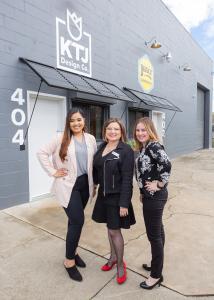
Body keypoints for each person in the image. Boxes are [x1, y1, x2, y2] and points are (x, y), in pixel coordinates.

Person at [37, 108, 97, 282]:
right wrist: (53, 171)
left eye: (79, 120)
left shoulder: (91, 139)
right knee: (78, 221)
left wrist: (95, 184)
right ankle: (69, 261)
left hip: (85, 185)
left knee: (73, 222)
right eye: (72, 121)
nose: (76, 123)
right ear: (68, 123)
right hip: (67, 186)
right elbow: (41, 152)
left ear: (84, 120)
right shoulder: (60, 138)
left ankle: (74, 251)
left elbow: (92, 163)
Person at [92, 118, 136, 284]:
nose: (112, 132)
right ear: (105, 131)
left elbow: (127, 179)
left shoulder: (126, 150)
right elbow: (97, 168)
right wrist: (94, 184)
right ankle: (112, 258)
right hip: (104, 196)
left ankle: (120, 265)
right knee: (109, 228)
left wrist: (124, 202)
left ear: (121, 132)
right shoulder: (102, 147)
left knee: (114, 231)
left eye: (116, 129)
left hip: (117, 197)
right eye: (109, 129)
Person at [134, 117, 171, 290]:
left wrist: (159, 184)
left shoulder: (154, 146)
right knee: (158, 232)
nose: (140, 133)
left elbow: (167, 164)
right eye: (138, 130)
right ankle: (157, 265)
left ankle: (156, 275)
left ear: (150, 131)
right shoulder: (144, 147)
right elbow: (145, 172)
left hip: (156, 197)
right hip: (149, 196)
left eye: (143, 130)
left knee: (153, 236)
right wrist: (143, 191)